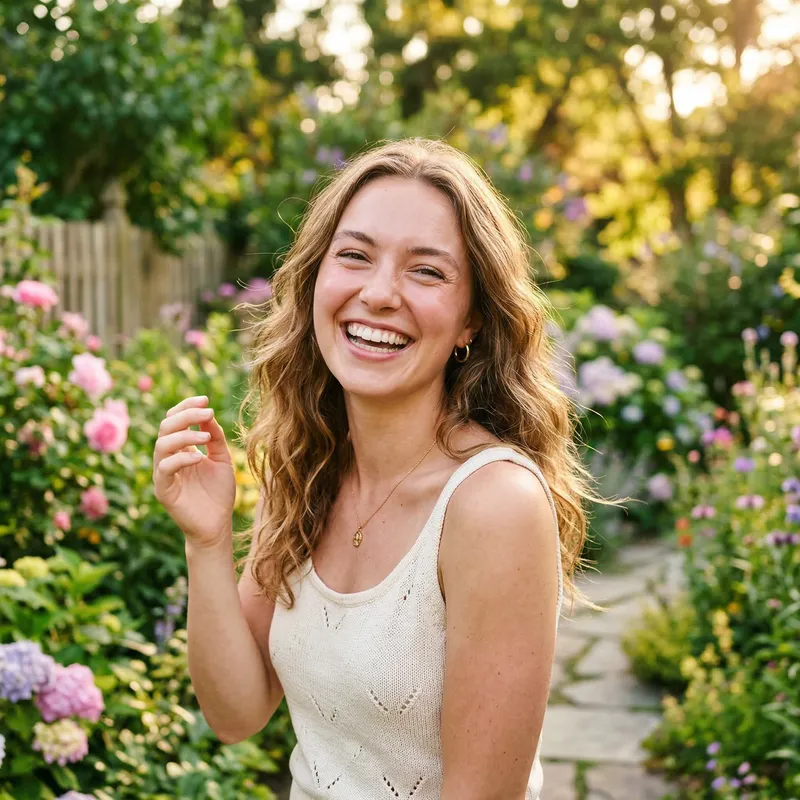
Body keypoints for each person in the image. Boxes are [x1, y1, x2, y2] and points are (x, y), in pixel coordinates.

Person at [153, 138, 599, 799]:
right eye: (355, 256)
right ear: (316, 281)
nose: (379, 293)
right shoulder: (309, 468)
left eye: (426, 271)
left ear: (471, 321)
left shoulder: (494, 504)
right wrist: (207, 540)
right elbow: (236, 713)